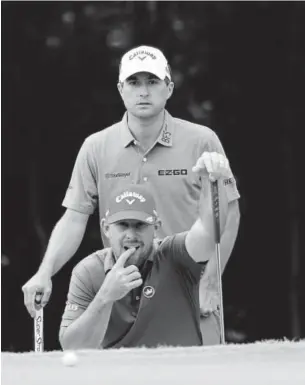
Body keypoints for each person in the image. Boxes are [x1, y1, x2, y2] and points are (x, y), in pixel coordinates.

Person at [22, 45, 240, 345]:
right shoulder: (96, 147)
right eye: (134, 82)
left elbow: (227, 214)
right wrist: (45, 272)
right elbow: (75, 217)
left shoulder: (202, 140)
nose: (143, 91)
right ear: (121, 89)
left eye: (152, 82)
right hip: (124, 291)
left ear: (169, 88)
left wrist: (212, 279)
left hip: (191, 285)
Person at [59, 152, 230, 349]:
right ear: (106, 228)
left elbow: (209, 232)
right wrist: (105, 296)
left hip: (180, 373)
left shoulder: (174, 254)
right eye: (123, 225)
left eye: (139, 225)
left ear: (156, 227)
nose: (131, 235)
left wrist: (211, 182)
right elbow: (71, 347)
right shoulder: (88, 271)